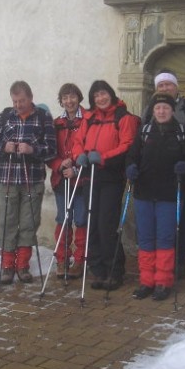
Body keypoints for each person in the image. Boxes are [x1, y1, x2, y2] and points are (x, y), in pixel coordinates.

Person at [125, 93, 185, 300]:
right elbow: (132, 155)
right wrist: (131, 167)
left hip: (169, 193)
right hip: (144, 192)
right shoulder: (145, 130)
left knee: (166, 238)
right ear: (153, 110)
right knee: (146, 238)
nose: (161, 111)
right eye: (158, 108)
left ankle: (163, 282)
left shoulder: (182, 132)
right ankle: (146, 281)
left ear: (171, 110)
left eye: (165, 108)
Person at [73, 80, 140, 291]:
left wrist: (102, 157)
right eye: (96, 96)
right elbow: (78, 141)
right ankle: (98, 270)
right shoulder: (89, 118)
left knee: (106, 224)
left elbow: (127, 145)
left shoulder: (123, 117)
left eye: (103, 94)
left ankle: (113, 270)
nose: (100, 99)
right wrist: (79, 156)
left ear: (110, 94)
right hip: (90, 176)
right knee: (91, 223)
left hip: (110, 176)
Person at [0, 81, 57, 285]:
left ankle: (23, 265)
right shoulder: (5, 115)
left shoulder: (43, 118)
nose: (18, 105)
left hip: (32, 179)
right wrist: (3, 147)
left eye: (22, 100)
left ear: (31, 97)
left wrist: (33, 149)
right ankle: (7, 265)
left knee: (29, 222)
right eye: (15, 101)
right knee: (6, 221)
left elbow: (52, 149)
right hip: (8, 178)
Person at [142, 69, 185, 278]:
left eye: (169, 84)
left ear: (176, 87)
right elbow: (142, 133)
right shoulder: (150, 108)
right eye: (161, 85)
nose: (165, 88)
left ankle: (180, 261)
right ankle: (160, 264)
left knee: (184, 221)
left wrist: (180, 134)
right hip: (157, 180)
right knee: (161, 225)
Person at [47, 83, 89, 279]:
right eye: (65, 98)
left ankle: (80, 260)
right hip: (61, 179)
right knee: (63, 219)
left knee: (81, 220)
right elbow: (49, 152)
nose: (69, 101)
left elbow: (91, 148)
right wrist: (59, 165)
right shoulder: (56, 124)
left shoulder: (89, 120)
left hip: (81, 179)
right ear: (61, 101)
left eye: (72, 97)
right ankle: (62, 258)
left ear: (78, 98)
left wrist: (77, 168)